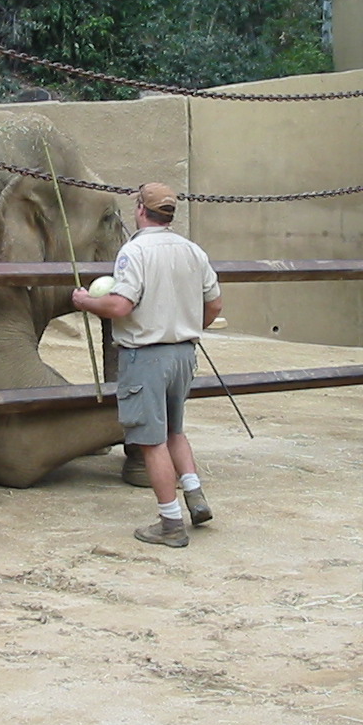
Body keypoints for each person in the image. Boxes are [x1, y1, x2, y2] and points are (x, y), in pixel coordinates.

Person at [72, 182, 223, 548]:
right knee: (175, 431)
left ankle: (170, 523)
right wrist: (185, 323)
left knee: (151, 441)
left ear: (140, 209)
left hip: (146, 356)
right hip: (185, 353)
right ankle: (194, 494)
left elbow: (121, 306)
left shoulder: (134, 252)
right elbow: (215, 305)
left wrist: (85, 302)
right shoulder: (193, 251)